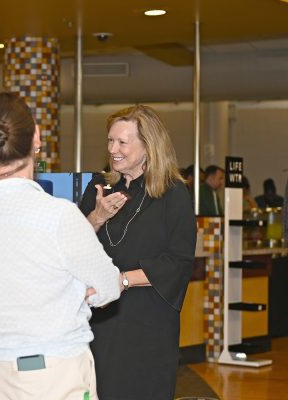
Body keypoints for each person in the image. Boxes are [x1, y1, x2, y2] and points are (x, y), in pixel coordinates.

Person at [0, 92, 121, 400]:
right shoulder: (59, 215)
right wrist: (77, 291)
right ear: (36, 136)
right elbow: (109, 285)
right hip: (52, 371)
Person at [79, 104, 197, 400]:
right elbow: (71, 247)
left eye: (122, 142)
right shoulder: (98, 187)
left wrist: (123, 280)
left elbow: (178, 262)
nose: (113, 149)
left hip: (147, 321)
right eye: (110, 140)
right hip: (99, 322)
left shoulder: (172, 193)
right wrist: (97, 218)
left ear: (148, 145)